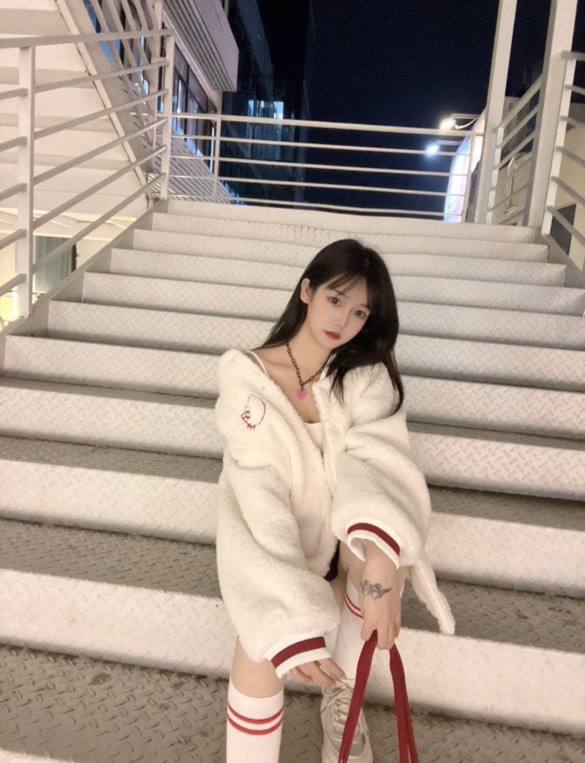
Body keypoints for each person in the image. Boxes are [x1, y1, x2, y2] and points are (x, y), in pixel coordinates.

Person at [213, 238, 456, 762]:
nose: (343, 320)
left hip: (346, 546)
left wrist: (383, 571)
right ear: (307, 291)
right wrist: (289, 622)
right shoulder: (247, 380)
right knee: (260, 641)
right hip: (282, 545)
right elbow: (259, 499)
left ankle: (342, 697)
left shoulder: (363, 378)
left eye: (360, 312)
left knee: (375, 554)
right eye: (335, 299)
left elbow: (377, 465)